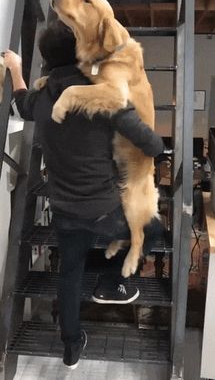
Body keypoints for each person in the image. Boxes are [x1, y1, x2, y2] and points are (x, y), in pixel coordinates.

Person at [4, 21, 166, 369]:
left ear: (47, 61)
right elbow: (153, 145)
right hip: (103, 210)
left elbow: (20, 102)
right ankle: (110, 283)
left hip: (63, 206)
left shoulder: (43, 99)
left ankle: (71, 346)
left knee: (70, 271)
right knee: (153, 230)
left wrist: (16, 68)